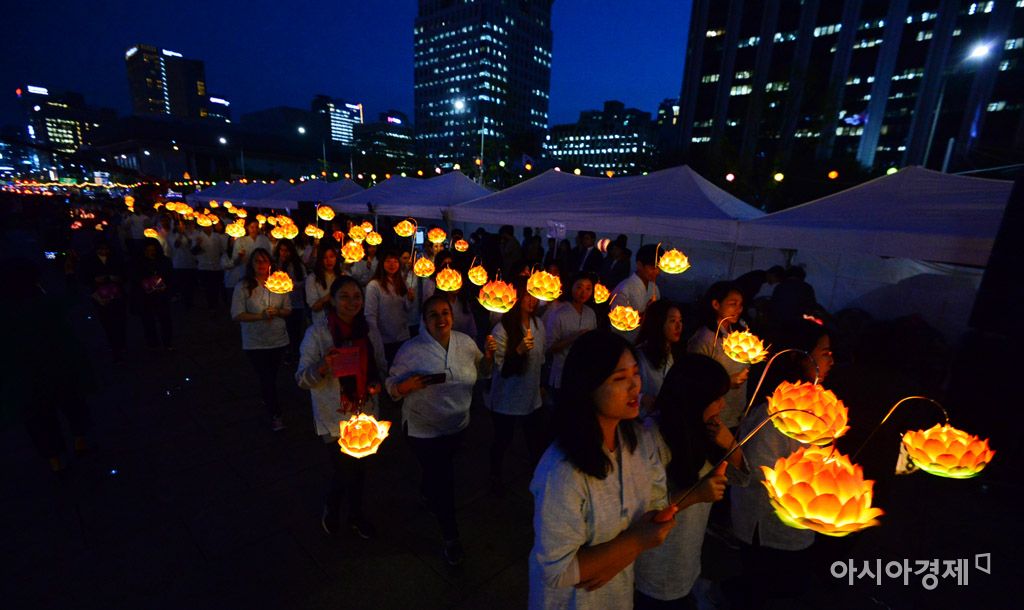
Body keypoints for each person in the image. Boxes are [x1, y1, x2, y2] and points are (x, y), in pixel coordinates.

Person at [529, 330, 675, 609]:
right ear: (587, 388)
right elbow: (556, 570)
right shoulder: (562, 472)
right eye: (620, 379)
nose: (635, 386)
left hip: (618, 593)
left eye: (635, 373)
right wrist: (634, 543)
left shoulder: (639, 441)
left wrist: (616, 559)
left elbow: (656, 506)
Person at [729, 318, 835, 609]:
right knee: (764, 589)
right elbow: (754, 472)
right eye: (823, 352)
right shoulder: (774, 413)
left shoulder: (818, 407)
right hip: (767, 527)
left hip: (796, 521)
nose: (830, 359)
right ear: (799, 357)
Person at [386, 295, 497, 566]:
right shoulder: (411, 350)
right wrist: (404, 387)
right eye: (433, 315)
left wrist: (490, 357)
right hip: (423, 430)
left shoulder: (466, 344)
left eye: (445, 313)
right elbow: (391, 386)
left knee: (438, 470)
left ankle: (427, 488)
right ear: (424, 320)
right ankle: (451, 538)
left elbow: (482, 372)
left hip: (457, 425)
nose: (441, 319)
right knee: (444, 481)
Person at [634, 354, 748, 609]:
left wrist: (729, 442)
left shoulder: (707, 430)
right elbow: (642, 512)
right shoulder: (652, 438)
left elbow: (741, 478)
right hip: (658, 560)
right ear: (693, 399)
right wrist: (696, 494)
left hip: (689, 550)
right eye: (716, 398)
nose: (722, 405)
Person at [295, 275, 381, 539]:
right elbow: (301, 378)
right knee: (344, 470)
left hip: (365, 413)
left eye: (357, 297)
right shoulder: (318, 334)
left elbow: (381, 365)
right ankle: (332, 508)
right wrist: (322, 367)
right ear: (332, 300)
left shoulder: (368, 330)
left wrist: (376, 383)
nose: (351, 302)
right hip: (335, 415)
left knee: (361, 470)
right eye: (344, 296)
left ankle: (355, 515)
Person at [488, 277, 547, 489]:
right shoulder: (502, 330)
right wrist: (519, 351)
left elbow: (541, 360)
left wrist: (541, 386)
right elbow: (502, 370)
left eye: (534, 295)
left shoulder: (539, 324)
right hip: (507, 398)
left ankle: (538, 478)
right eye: (526, 296)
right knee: (503, 440)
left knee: (535, 440)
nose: (531, 301)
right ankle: (495, 476)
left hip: (532, 396)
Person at [231, 248, 292, 432]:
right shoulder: (243, 287)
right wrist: (261, 316)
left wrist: (278, 312)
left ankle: (268, 397)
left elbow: (288, 309)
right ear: (251, 264)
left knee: (270, 377)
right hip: (255, 342)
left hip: (278, 340)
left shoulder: (280, 283)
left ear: (270, 263)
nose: (261, 265)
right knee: (267, 378)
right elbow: (237, 314)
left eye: (264, 261)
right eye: (257, 261)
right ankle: (275, 414)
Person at [687, 281, 749, 430]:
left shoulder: (742, 331)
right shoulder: (705, 338)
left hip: (737, 408)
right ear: (716, 304)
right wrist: (726, 382)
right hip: (714, 415)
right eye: (733, 304)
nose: (738, 309)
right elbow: (694, 379)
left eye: (740, 305)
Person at [544, 273, 597, 400]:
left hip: (583, 371)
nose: (583, 292)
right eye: (579, 287)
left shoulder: (590, 313)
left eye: (588, 288)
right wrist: (574, 337)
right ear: (571, 287)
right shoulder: (558, 313)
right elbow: (550, 347)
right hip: (562, 370)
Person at [365, 249, 414, 372]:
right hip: (384, 339)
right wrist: (376, 342)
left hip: (402, 336)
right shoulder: (374, 285)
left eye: (395, 261)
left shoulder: (402, 282)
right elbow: (370, 316)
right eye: (388, 261)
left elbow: (407, 309)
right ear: (382, 263)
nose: (392, 264)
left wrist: (410, 300)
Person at [80, 237, 127, 361]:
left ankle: (121, 342)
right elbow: (83, 277)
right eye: (101, 249)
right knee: (107, 321)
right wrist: (94, 280)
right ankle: (114, 346)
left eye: (106, 249)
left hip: (116, 293)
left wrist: (118, 279)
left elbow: (124, 273)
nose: (104, 252)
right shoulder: (89, 261)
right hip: (100, 295)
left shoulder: (116, 259)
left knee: (120, 320)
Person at [635, 300, 683, 415]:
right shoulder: (640, 355)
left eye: (680, 320)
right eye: (672, 321)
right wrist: (642, 398)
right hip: (643, 423)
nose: (679, 326)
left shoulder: (672, 354)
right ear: (658, 322)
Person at [611, 244, 661, 344]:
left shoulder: (654, 287)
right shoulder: (624, 288)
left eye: (659, 268)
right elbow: (617, 324)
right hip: (625, 342)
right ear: (639, 265)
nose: (656, 272)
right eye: (652, 267)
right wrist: (646, 312)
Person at [132, 238, 173, 350]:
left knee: (165, 320)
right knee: (148, 321)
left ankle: (168, 342)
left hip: (162, 296)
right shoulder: (137, 263)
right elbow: (134, 280)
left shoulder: (164, 261)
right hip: (146, 297)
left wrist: (165, 286)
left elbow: (170, 276)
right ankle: (152, 343)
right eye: (148, 250)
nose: (151, 253)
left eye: (153, 250)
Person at [275, 239, 307, 360]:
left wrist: (290, 284)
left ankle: (295, 352)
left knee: (295, 331)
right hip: (280, 304)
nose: (284, 253)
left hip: (296, 303)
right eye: (281, 250)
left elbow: (305, 281)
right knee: (284, 330)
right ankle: (287, 352)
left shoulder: (297, 265)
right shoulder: (276, 264)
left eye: (286, 250)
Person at [192, 220, 227, 312]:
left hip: (217, 266)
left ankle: (216, 305)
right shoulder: (197, 236)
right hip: (204, 267)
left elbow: (223, 250)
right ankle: (211, 306)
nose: (207, 227)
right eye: (205, 225)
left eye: (209, 225)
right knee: (208, 289)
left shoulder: (217, 236)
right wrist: (198, 244)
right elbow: (193, 252)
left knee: (216, 287)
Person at [306, 245, 343, 325]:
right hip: (321, 323)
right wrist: (332, 294)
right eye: (325, 257)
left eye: (331, 256)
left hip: (340, 322)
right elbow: (314, 306)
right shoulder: (312, 278)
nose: (329, 260)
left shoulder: (342, 276)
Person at [169, 218, 198, 309]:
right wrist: (181, 235)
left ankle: (190, 302)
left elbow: (191, 245)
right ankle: (183, 302)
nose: (180, 226)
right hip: (178, 263)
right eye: (178, 225)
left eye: (182, 225)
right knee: (181, 284)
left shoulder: (190, 234)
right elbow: (176, 245)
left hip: (190, 263)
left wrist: (185, 234)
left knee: (191, 285)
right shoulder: (172, 235)